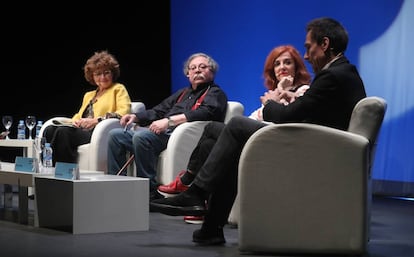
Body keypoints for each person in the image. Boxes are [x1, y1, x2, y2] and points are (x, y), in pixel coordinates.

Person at [150, 17, 367, 245]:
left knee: (236, 126)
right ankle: (210, 224)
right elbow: (307, 111)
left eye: (308, 47)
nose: (305, 55)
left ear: (324, 44)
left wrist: (272, 101)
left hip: (315, 151)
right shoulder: (343, 72)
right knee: (225, 137)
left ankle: (197, 194)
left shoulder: (332, 76)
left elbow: (287, 115)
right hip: (315, 144)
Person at [156, 45, 312, 224]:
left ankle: (188, 181)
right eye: (277, 64)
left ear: (297, 67)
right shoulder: (270, 95)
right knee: (209, 144)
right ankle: (201, 208)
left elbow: (287, 118)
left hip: (274, 142)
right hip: (258, 139)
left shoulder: (303, 91)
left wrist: (280, 94)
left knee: (213, 128)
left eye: (287, 62)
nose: (282, 67)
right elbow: (253, 118)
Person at [106, 52, 228, 201]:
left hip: (180, 136)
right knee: (116, 135)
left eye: (203, 67)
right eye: (193, 68)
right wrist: (136, 117)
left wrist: (169, 121)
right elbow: (159, 110)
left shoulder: (216, 93)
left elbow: (207, 112)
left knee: (142, 137)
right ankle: (118, 187)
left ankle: (148, 192)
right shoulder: (183, 93)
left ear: (212, 72)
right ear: (187, 74)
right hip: (162, 133)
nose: (197, 70)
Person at [43, 50, 131, 165]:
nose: (103, 77)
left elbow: (124, 111)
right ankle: (47, 168)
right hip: (82, 130)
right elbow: (78, 115)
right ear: (92, 76)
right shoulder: (89, 95)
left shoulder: (118, 89)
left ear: (113, 73)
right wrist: (75, 122)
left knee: (63, 133)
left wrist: (96, 120)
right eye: (98, 74)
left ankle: (65, 172)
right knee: (50, 130)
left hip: (98, 132)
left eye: (107, 72)